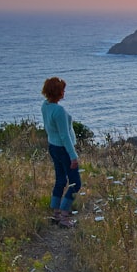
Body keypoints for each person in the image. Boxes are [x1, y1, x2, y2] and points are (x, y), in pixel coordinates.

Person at [41, 77, 81, 227]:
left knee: (60, 180)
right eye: (62, 90)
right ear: (58, 92)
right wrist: (73, 156)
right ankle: (64, 217)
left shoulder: (45, 106)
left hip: (53, 146)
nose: (64, 92)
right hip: (63, 149)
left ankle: (56, 214)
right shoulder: (59, 111)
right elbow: (64, 136)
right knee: (75, 183)